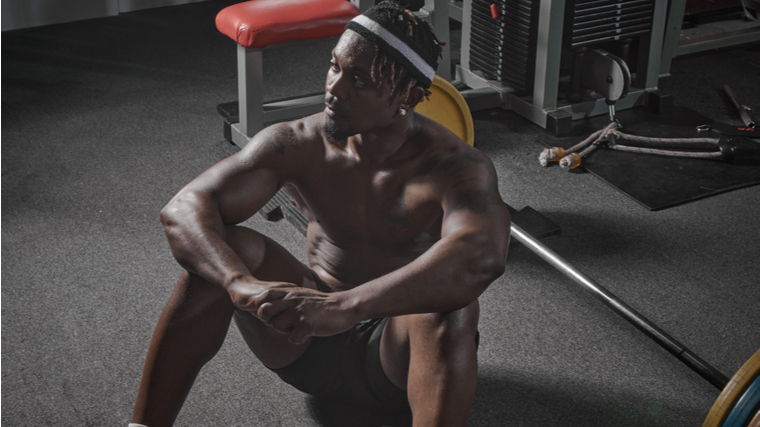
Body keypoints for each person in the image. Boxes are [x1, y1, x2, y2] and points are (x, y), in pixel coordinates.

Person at [130, 2, 510, 426]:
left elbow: (482, 257)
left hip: (400, 357)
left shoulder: (454, 166)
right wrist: (239, 284)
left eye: (359, 79)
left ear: (409, 95)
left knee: (452, 307)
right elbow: (184, 207)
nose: (335, 88)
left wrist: (347, 307)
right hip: (306, 338)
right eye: (335, 66)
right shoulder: (298, 143)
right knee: (224, 251)